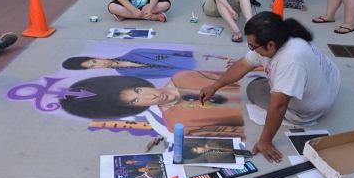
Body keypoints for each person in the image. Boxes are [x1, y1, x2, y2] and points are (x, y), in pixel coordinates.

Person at [199, 12, 341, 162]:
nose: (252, 49)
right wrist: (214, 86)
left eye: (253, 46)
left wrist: (265, 141)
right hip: (329, 83)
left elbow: (279, 107)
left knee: (254, 89)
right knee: (263, 83)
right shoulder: (283, 34)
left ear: (270, 44)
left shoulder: (290, 61)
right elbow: (242, 65)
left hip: (312, 108)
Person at [60, 71, 245, 137]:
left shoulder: (184, 77)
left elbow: (238, 80)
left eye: (138, 90)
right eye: (135, 100)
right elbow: (232, 133)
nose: (150, 97)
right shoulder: (175, 123)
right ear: (130, 108)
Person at [61, 48, 194, 78]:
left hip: (192, 61)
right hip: (187, 74)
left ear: (96, 57)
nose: (100, 64)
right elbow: (159, 76)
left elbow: (171, 52)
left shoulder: (134, 52)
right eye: (93, 66)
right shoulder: (127, 74)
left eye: (94, 61)